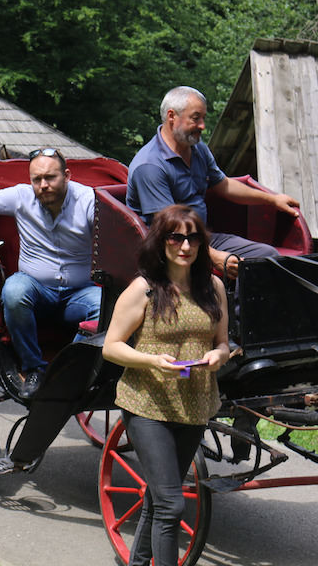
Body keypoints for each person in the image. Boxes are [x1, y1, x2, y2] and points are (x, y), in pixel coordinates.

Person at [103, 204, 229, 566]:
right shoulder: (143, 289)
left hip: (193, 405)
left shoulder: (214, 287)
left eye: (193, 238)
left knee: (160, 501)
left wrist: (219, 356)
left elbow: (222, 342)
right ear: (162, 242)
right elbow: (112, 347)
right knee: (172, 504)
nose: (185, 245)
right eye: (176, 237)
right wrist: (151, 361)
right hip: (147, 405)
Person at [0, 148, 99, 397]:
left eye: (50, 178)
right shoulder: (21, 196)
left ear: (67, 175)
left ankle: (70, 369)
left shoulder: (88, 200)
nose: (43, 185)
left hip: (79, 293)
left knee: (106, 305)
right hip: (36, 291)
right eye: (37, 179)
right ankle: (33, 368)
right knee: (14, 290)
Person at [127, 86, 299, 278]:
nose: (202, 126)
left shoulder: (198, 149)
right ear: (171, 116)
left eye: (203, 118)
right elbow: (168, 228)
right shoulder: (150, 165)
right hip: (167, 247)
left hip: (200, 238)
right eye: (196, 118)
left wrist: (272, 200)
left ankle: (246, 308)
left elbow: (224, 185)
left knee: (266, 258)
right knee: (231, 266)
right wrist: (214, 257)